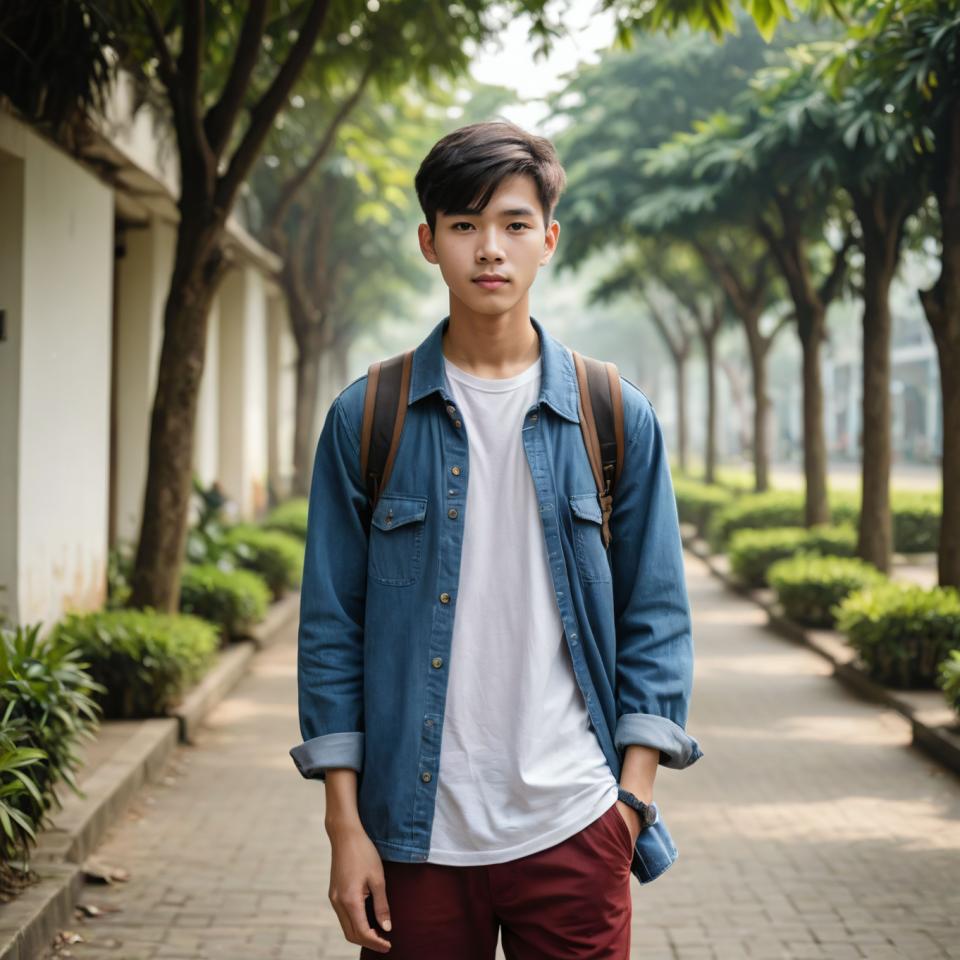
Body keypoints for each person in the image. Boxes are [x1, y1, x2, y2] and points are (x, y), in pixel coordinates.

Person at [289, 118, 704, 959]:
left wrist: (629, 803)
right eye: (464, 225)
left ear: (548, 240)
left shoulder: (612, 413)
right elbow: (331, 630)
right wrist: (345, 827)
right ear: (428, 241)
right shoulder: (366, 417)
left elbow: (656, 614)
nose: (490, 249)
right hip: (414, 838)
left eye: (514, 224)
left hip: (576, 825)